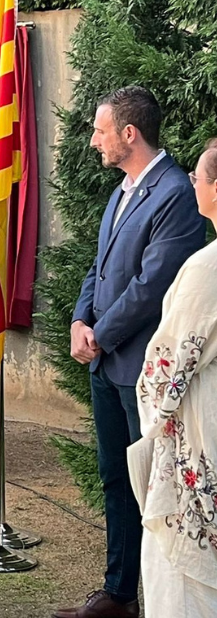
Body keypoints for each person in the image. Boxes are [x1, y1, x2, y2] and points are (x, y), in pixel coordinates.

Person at [56, 87, 205, 618]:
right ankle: (119, 594)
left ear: (128, 134)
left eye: (100, 131)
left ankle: (157, 596)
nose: (93, 141)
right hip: (106, 361)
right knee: (116, 478)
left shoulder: (175, 193)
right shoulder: (122, 191)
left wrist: (101, 332)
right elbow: (99, 268)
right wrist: (79, 319)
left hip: (142, 365)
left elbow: (152, 285)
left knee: (150, 484)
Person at [133, 137, 217, 617]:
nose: (191, 183)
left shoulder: (206, 267)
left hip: (198, 430)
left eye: (198, 177)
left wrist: (152, 417)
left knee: (182, 576)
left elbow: (168, 365)